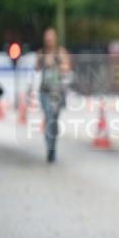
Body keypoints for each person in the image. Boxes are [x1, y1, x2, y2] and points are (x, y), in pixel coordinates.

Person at [35, 28, 72, 162]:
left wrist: (56, 64)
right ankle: (49, 146)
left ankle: (52, 147)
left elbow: (67, 67)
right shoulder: (42, 53)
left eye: (51, 37)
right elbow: (36, 68)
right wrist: (41, 60)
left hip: (57, 92)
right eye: (47, 37)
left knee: (54, 120)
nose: (49, 40)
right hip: (44, 92)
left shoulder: (60, 52)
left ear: (55, 38)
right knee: (48, 116)